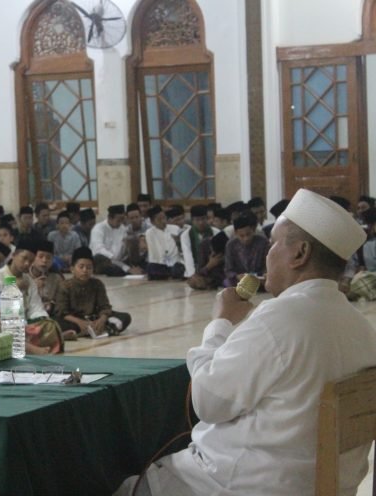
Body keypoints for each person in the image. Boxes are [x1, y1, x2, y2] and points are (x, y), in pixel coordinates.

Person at [115, 188, 376, 496]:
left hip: (241, 484)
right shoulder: (362, 327)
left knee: (118, 481)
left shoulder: (280, 318)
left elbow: (207, 402)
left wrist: (220, 322)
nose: (267, 254)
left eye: (274, 243)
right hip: (327, 486)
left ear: (300, 253)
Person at [54, 247, 131, 339]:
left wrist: (102, 320)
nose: (85, 270)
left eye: (89, 267)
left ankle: (94, 329)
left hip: (93, 318)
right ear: (72, 269)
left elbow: (105, 307)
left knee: (125, 317)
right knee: (57, 323)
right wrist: (80, 322)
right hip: (74, 320)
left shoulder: (97, 284)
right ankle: (104, 329)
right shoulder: (65, 286)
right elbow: (62, 312)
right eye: (81, 267)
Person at [224, 213, 269, 287]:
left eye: (248, 234)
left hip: (259, 277)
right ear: (236, 233)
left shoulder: (263, 242)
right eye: (241, 236)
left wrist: (263, 275)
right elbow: (228, 269)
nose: (246, 238)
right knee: (227, 282)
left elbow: (267, 265)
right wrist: (237, 276)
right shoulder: (231, 245)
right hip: (239, 279)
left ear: (253, 230)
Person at [145, 206, 184, 280]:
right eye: (159, 219)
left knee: (178, 268)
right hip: (160, 264)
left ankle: (169, 274)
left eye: (164, 218)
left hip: (175, 263)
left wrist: (177, 241)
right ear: (152, 222)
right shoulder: (149, 233)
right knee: (151, 267)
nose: (163, 221)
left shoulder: (175, 228)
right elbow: (156, 253)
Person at [180, 205, 218, 278]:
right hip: (195, 267)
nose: (201, 222)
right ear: (192, 220)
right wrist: (192, 274)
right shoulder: (185, 235)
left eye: (203, 219)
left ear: (207, 218)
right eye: (197, 220)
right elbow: (187, 255)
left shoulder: (216, 232)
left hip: (213, 266)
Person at [90, 204, 128, 276]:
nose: (120, 223)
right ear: (110, 218)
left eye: (122, 220)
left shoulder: (122, 228)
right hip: (101, 263)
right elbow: (98, 250)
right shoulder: (98, 228)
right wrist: (116, 260)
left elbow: (122, 253)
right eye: (118, 220)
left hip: (118, 263)